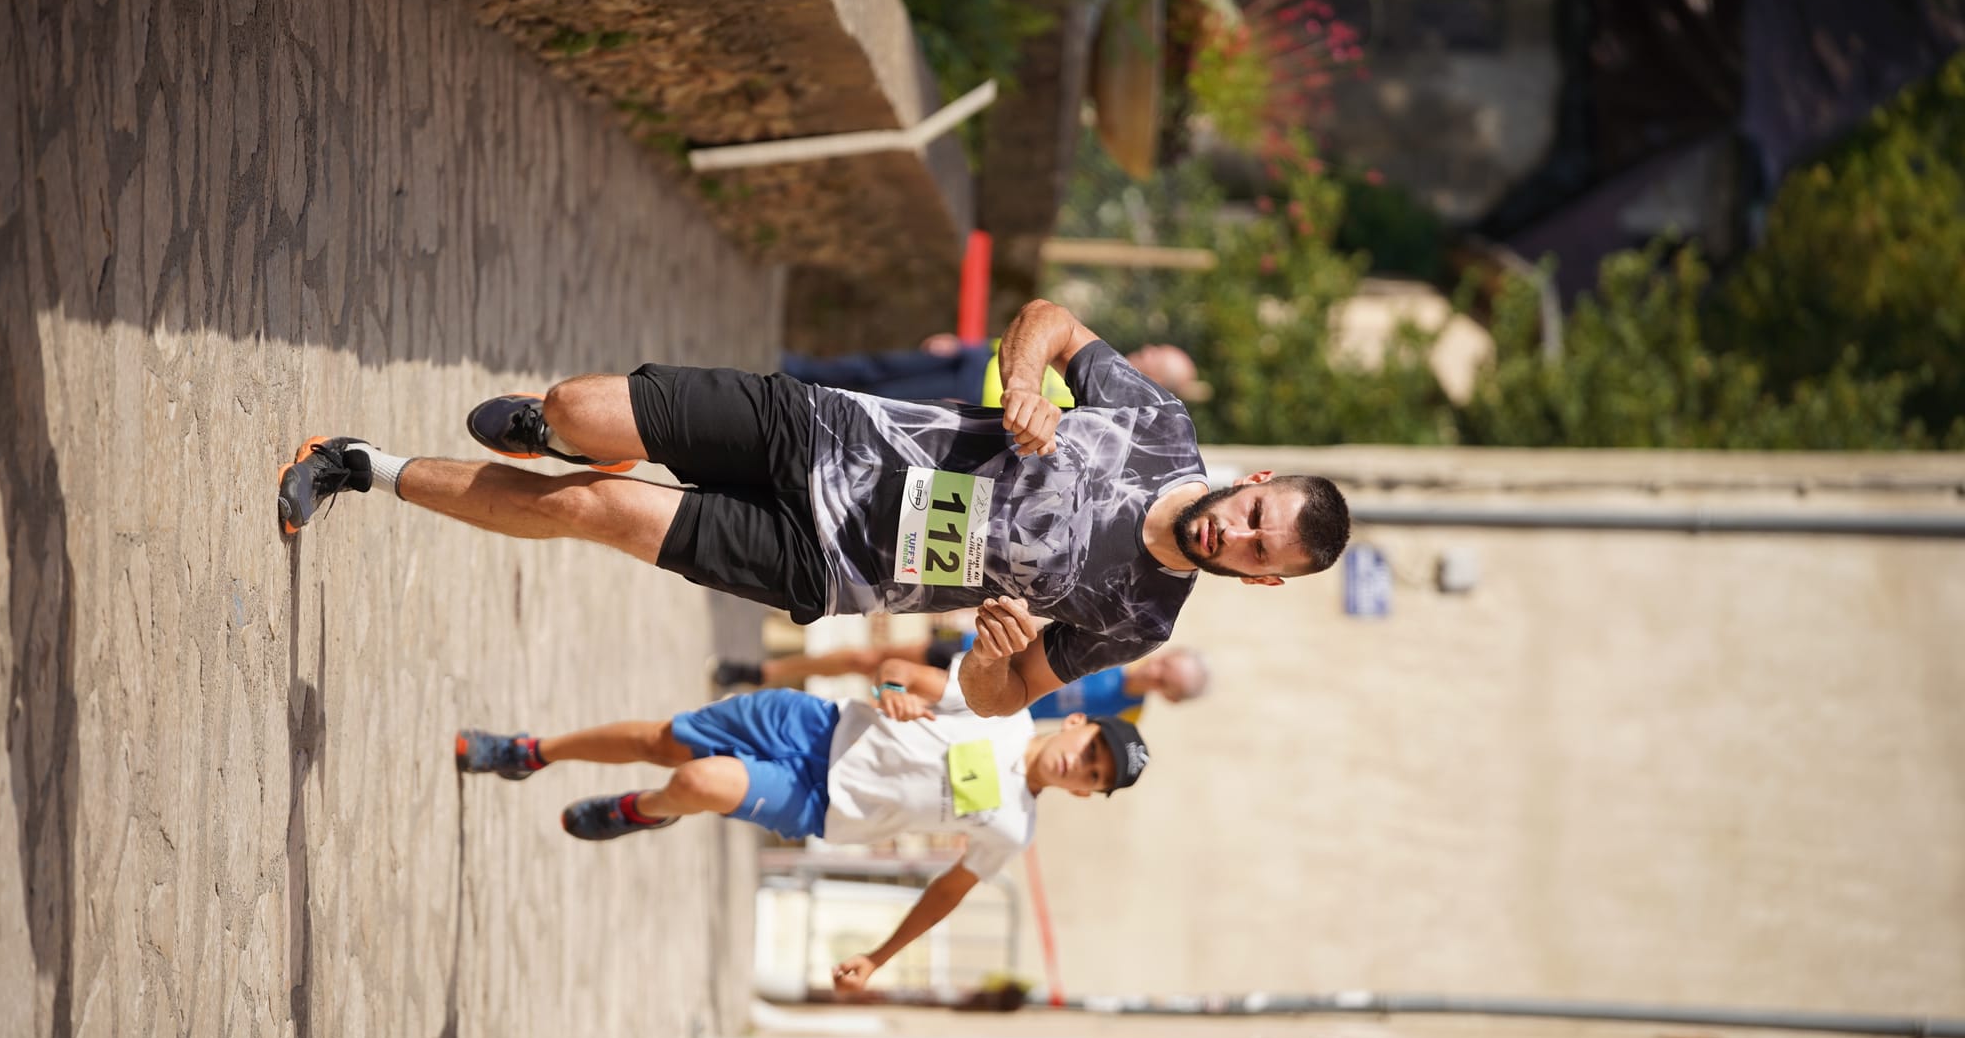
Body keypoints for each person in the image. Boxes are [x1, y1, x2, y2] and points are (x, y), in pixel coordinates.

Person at [276, 297, 1351, 716]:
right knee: (579, 408)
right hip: (827, 431)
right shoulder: (1157, 424)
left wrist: (991, 650)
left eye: (1258, 553)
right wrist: (1025, 380)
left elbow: (995, 693)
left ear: (1261, 580)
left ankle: (355, 463)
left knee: (589, 516)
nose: (1233, 533)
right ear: (1256, 482)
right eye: (1253, 513)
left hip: (824, 562)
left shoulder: (1139, 616)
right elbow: (1051, 321)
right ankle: (559, 428)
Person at [453, 640, 1152, 992]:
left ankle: (646, 808)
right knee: (662, 740)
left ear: (1087, 794)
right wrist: (892, 691)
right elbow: (900, 671)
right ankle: (530, 751)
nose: (1080, 767)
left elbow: (945, 893)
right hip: (811, 725)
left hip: (820, 802)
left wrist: (877, 958)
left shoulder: (1011, 829)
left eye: (1094, 777)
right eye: (1091, 751)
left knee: (696, 779)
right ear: (1079, 724)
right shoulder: (1002, 707)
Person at [714, 639, 1209, 724]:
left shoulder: (1124, 714)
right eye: (1168, 664)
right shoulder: (1119, 649)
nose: (1158, 671)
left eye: (1169, 680)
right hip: (982, 654)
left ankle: (769, 699)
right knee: (871, 659)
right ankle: (762, 673)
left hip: (981, 702)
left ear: (1169, 696)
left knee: (891, 697)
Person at [782, 335, 1208, 408]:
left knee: (872, 396)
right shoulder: (1107, 354)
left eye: (1157, 355)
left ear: (1156, 380)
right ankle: (794, 369)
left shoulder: (1106, 401)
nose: (1148, 349)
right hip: (979, 358)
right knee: (877, 367)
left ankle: (788, 398)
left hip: (970, 393)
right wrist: (970, 344)